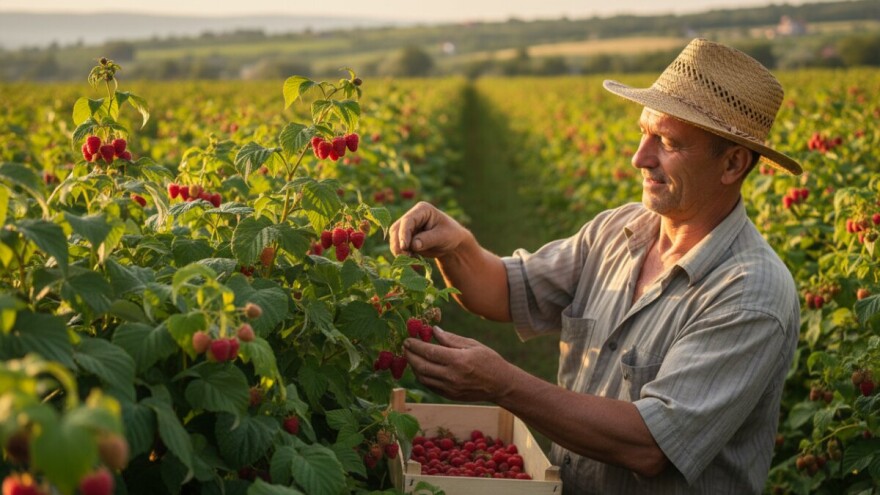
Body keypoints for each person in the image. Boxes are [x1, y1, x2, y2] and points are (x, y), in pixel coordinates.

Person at [389, 39, 802, 494]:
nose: (640, 157)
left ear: (732, 163)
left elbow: (650, 445)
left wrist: (504, 384)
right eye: (644, 133)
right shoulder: (619, 230)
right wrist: (457, 246)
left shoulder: (750, 294)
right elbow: (507, 290)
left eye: (667, 142)